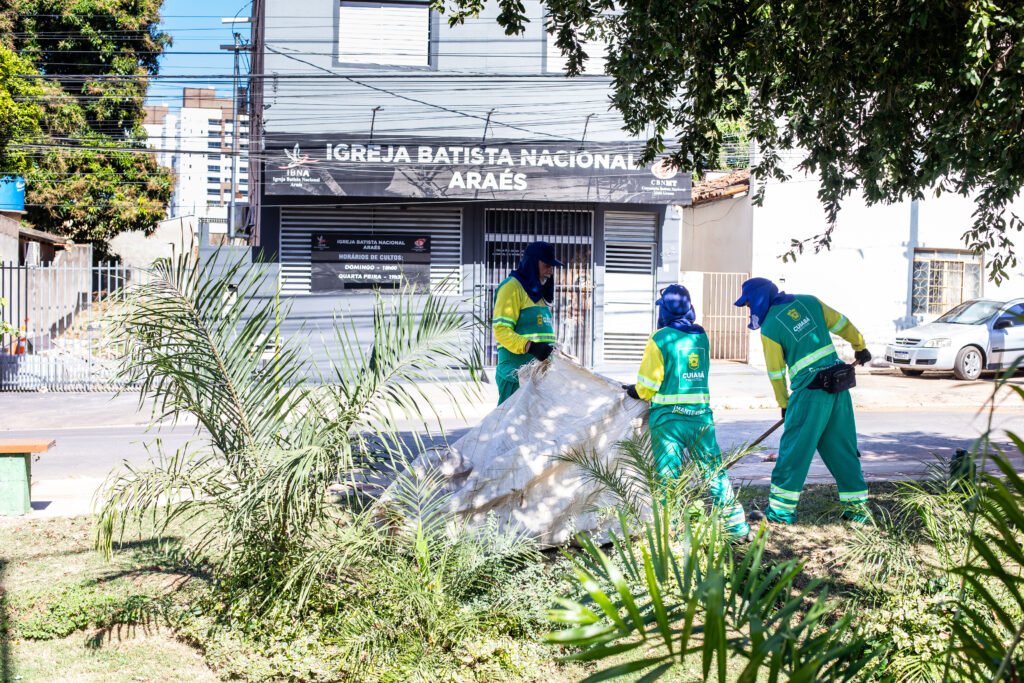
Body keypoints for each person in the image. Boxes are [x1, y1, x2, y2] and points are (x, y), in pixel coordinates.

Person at [734, 277, 872, 524]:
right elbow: (841, 322)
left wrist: (784, 403)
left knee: (793, 453)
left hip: (810, 394)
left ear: (757, 300)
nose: (749, 309)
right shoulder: (809, 302)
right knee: (843, 449)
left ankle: (780, 513)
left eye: (748, 304)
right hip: (838, 387)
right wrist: (859, 345)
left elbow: (776, 373)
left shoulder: (770, 328)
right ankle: (857, 511)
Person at [623, 284, 752, 542]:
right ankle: (737, 527)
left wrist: (635, 391)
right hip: (701, 418)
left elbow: (648, 386)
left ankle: (670, 531)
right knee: (713, 472)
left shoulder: (659, 338)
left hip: (668, 421)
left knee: (668, 477)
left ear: (666, 311)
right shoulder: (701, 336)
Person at [492, 241, 562, 404]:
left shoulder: (538, 295)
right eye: (547, 265)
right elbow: (501, 330)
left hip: (536, 376)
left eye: (552, 266)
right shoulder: (511, 287)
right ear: (532, 263)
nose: (550, 271)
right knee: (509, 426)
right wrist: (531, 346)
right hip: (515, 375)